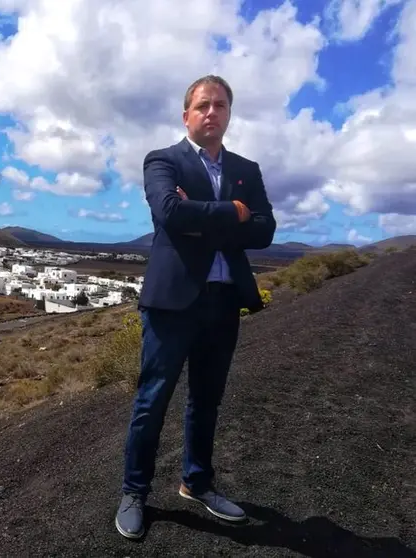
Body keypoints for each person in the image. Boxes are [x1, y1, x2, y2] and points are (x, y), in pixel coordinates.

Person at [115, 75, 277, 539]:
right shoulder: (163, 160)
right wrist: (234, 213)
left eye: (220, 105)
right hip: (172, 305)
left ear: (229, 114)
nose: (212, 112)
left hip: (224, 302)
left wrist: (204, 216)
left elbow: (265, 231)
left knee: (207, 400)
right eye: (203, 105)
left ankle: (197, 482)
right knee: (152, 400)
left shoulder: (248, 168)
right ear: (186, 115)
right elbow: (169, 212)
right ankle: (134, 492)